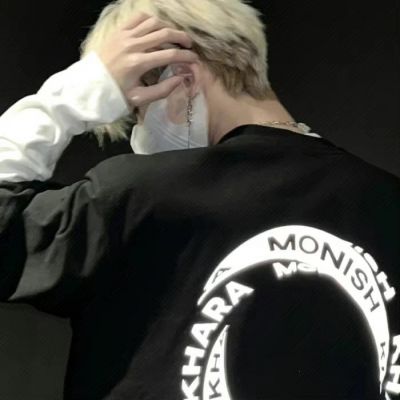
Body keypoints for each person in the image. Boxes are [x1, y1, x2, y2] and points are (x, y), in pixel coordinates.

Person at [0, 0, 399, 399]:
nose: (138, 134)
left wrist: (74, 96)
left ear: (180, 75)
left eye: (137, 111)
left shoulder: (146, 197)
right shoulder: (387, 202)